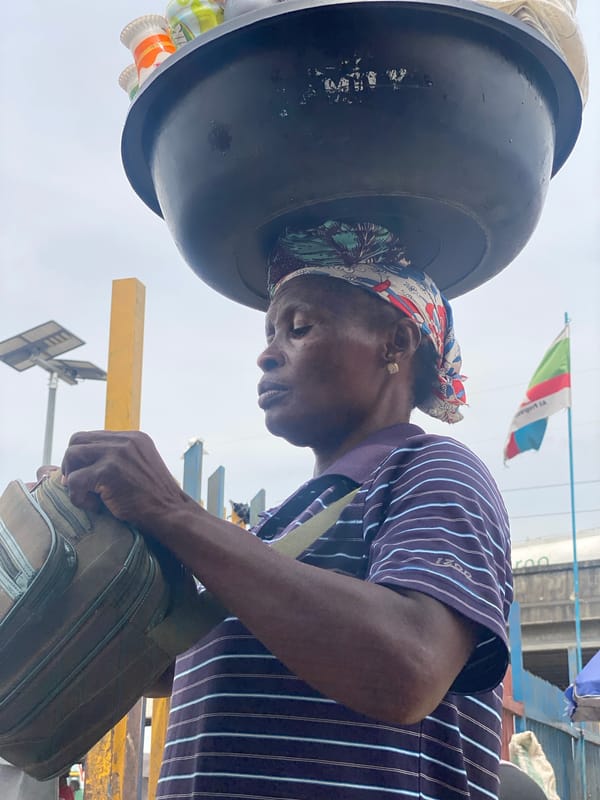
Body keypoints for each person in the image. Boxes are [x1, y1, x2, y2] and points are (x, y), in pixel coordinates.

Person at [61, 221, 513, 799]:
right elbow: (164, 669)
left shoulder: (432, 470)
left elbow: (410, 669)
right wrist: (111, 550)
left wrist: (173, 511)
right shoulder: (275, 533)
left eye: (299, 328)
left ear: (395, 344)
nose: (267, 355)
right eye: (270, 333)